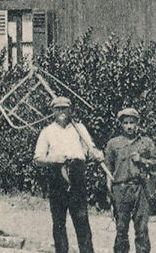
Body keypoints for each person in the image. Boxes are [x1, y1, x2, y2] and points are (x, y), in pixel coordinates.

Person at [34, 97, 104, 253]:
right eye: (58, 109)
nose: (61, 112)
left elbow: (90, 149)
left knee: (82, 221)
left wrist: (98, 154)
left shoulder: (79, 128)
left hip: (77, 175)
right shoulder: (47, 131)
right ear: (52, 111)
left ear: (71, 110)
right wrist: (53, 159)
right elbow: (38, 158)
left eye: (65, 108)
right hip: (57, 177)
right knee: (58, 222)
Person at [104, 107, 156, 253]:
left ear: (137, 123)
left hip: (140, 189)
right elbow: (107, 169)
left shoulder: (146, 142)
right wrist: (109, 192)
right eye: (125, 122)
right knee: (121, 229)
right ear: (120, 124)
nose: (129, 126)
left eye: (132, 122)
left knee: (141, 229)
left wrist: (142, 160)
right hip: (120, 190)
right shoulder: (113, 144)